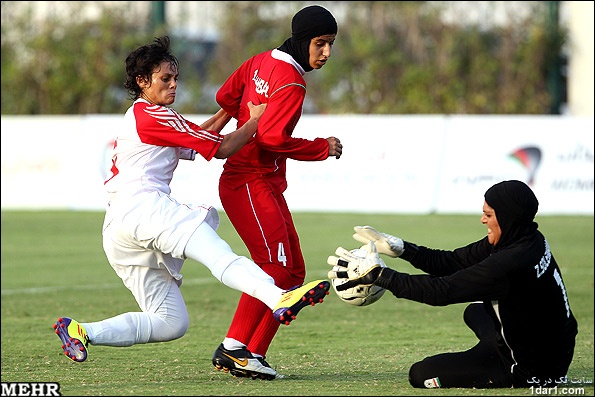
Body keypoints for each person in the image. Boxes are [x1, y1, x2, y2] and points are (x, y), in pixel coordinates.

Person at [52, 36, 330, 372]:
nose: (173, 85)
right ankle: (279, 298)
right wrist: (257, 119)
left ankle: (81, 331)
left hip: (118, 229)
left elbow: (203, 138)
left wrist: (231, 110)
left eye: (175, 78)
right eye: (164, 79)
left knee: (170, 322)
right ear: (142, 82)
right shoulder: (154, 116)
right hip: (146, 209)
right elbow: (223, 148)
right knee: (219, 256)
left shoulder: (149, 117)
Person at [328, 180, 578, 389]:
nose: (482, 220)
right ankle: (499, 347)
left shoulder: (509, 264)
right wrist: (404, 249)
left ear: (507, 217)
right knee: (476, 310)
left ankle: (508, 368)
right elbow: (453, 261)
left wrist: (381, 276)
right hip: (555, 346)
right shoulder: (527, 237)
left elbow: (441, 291)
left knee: (420, 374)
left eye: (489, 215)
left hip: (530, 368)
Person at [210, 5, 342, 380]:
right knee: (274, 267)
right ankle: (234, 348)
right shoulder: (292, 81)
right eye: (320, 44)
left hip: (260, 181)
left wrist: (246, 113)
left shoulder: (260, 61)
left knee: (293, 270)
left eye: (331, 44)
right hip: (248, 180)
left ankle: (251, 353)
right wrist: (321, 147)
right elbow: (271, 138)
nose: (326, 53)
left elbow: (224, 94)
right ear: (302, 41)